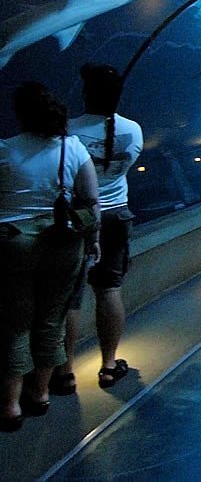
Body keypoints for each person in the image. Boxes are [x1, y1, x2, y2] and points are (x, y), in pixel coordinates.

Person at [0, 82, 100, 431]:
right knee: (50, 319)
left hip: (14, 242)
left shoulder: (5, 149)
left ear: (20, 113)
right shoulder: (72, 147)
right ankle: (40, 393)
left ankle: (9, 406)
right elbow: (90, 199)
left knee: (14, 325)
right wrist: (94, 241)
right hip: (63, 240)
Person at [53, 64, 142, 394]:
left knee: (70, 299)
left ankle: (64, 371)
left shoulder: (69, 131)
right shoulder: (134, 129)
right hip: (116, 215)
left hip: (78, 220)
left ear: (86, 94)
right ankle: (108, 365)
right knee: (109, 288)